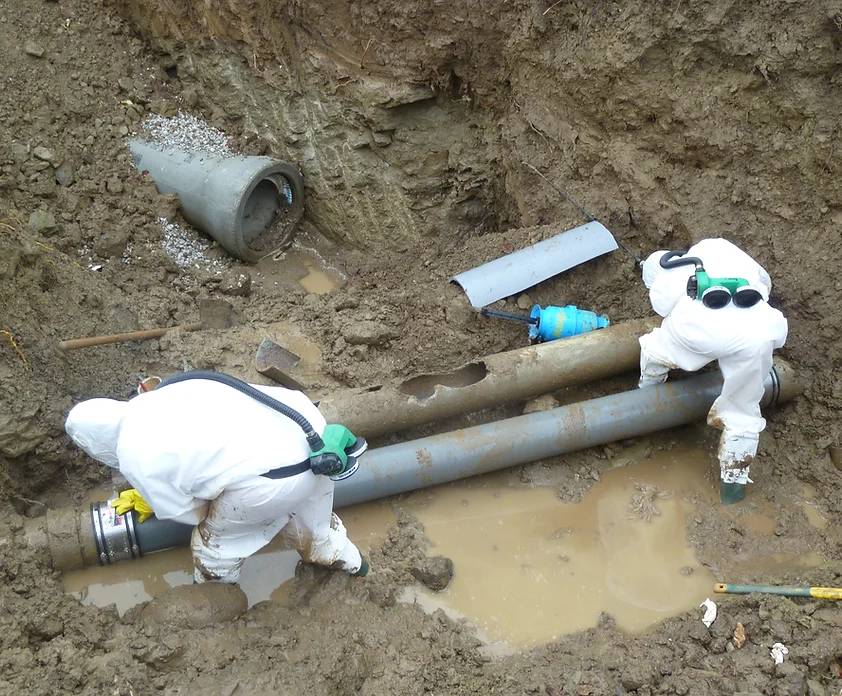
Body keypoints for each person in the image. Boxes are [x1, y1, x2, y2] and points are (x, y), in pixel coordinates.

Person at [65, 376, 369, 583]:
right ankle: (360, 571)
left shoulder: (132, 452)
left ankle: (218, 606)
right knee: (317, 531)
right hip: (313, 432)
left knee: (213, 548)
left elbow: (188, 512)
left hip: (277, 477)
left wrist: (154, 500)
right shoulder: (156, 396)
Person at [638, 238, 788, 504]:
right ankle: (733, 494)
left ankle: (646, 398)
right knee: (743, 408)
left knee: (655, 347)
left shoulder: (669, 272)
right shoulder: (717, 248)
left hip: (703, 332)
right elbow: (763, 285)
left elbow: (662, 307)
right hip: (761, 331)